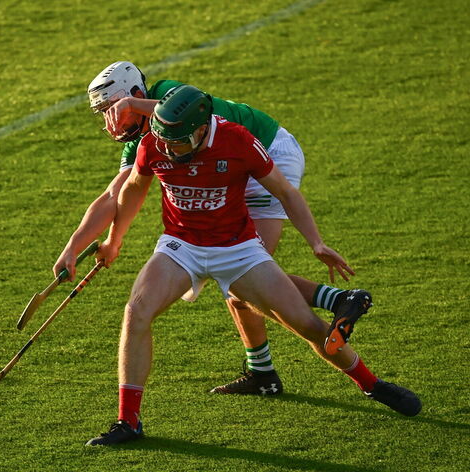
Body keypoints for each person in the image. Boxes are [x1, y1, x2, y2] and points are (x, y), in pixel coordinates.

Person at [85, 85, 421, 446]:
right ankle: (128, 421)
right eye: (165, 141)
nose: (170, 149)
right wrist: (113, 240)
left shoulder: (237, 140)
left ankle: (372, 385)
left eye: (178, 142)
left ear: (202, 129)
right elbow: (133, 188)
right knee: (136, 311)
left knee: (306, 326)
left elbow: (285, 191)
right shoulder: (156, 141)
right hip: (180, 246)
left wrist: (317, 243)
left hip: (238, 250)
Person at [55, 61, 367, 395]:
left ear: (134, 94)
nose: (111, 121)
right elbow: (115, 194)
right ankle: (264, 373)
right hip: (231, 169)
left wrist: (316, 242)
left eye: (113, 108)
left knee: (242, 274)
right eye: (104, 113)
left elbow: (188, 111)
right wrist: (74, 247)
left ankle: (338, 302)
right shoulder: (145, 136)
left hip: (271, 155)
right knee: (239, 286)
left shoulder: (173, 98)